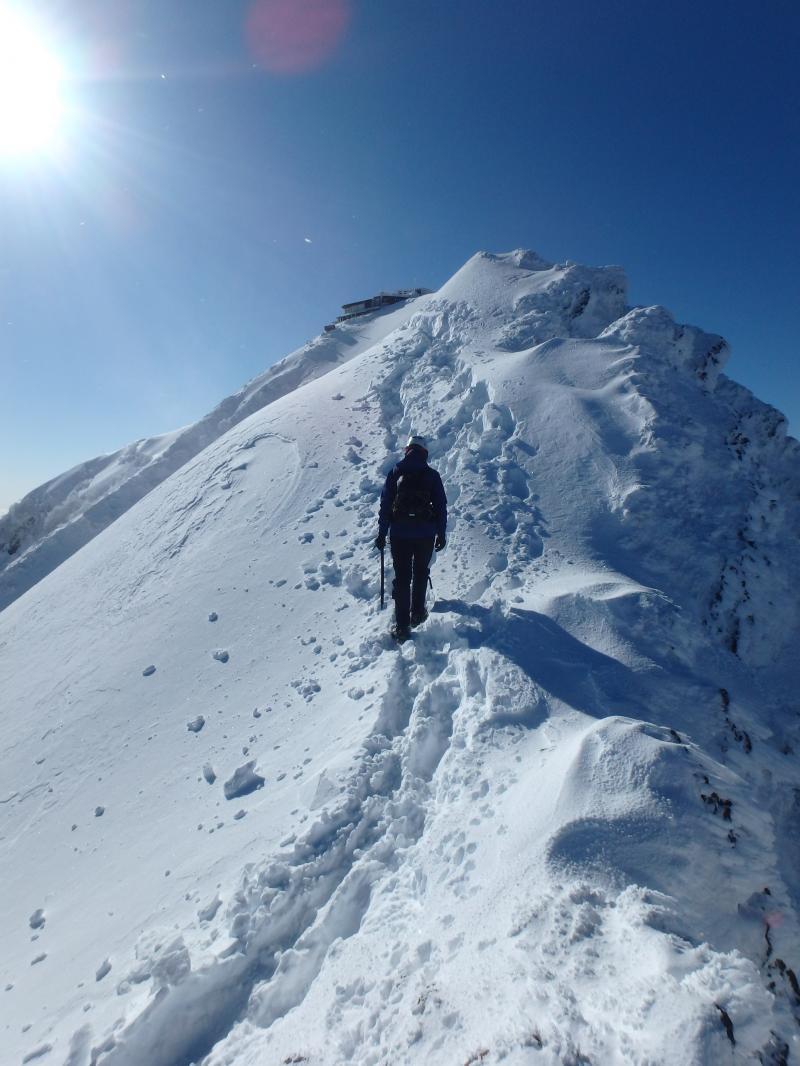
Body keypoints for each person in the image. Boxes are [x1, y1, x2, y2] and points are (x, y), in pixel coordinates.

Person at [375, 435, 447, 642]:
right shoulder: (432, 475)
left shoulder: (395, 472)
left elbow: (385, 505)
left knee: (403, 577)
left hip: (400, 534)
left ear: (407, 450)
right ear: (424, 452)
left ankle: (402, 627)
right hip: (425, 534)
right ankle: (417, 612)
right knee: (421, 571)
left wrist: (382, 533)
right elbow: (441, 506)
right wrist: (441, 533)